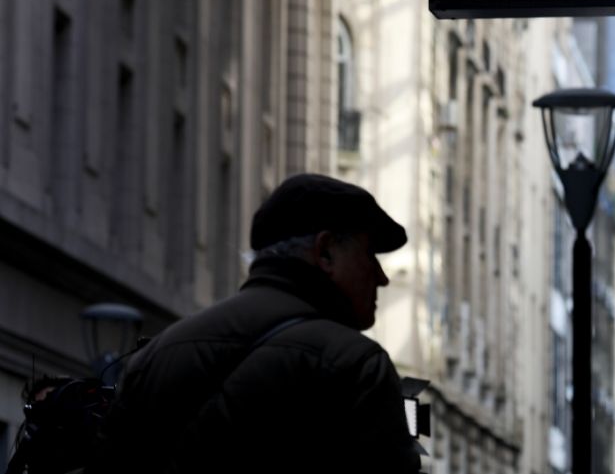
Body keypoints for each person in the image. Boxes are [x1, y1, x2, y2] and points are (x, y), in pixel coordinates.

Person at [88, 173, 422, 474]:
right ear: (325, 253)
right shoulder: (358, 365)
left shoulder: (155, 356)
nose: (381, 277)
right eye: (369, 254)